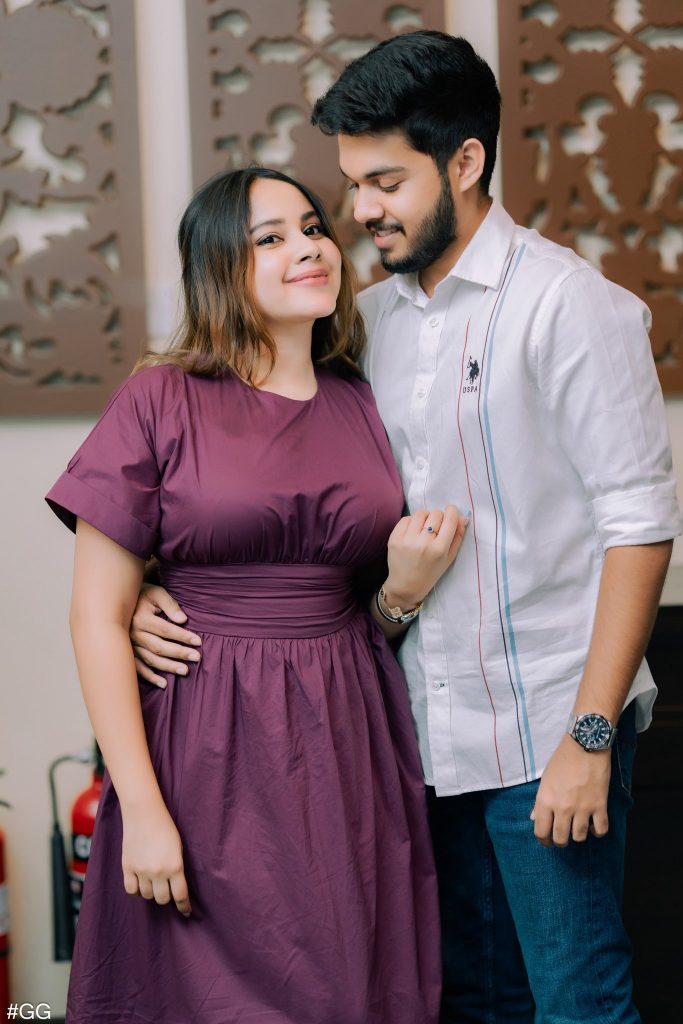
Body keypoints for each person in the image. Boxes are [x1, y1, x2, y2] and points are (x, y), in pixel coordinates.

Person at [131, 32, 682, 1024]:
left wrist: (589, 737)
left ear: (464, 162)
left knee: (577, 1003)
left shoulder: (570, 308)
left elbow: (638, 526)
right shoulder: (363, 322)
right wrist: (153, 594)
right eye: (352, 184)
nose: (360, 211)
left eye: (384, 182)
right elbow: (275, 490)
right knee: (462, 1002)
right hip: (410, 736)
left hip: (545, 733)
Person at [46, 165, 472, 1024]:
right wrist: (145, 811)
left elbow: (353, 612)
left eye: (312, 228)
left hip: (347, 744)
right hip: (202, 748)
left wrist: (399, 595)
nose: (307, 248)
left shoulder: (362, 398)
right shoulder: (159, 397)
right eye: (268, 239)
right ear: (218, 270)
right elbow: (96, 617)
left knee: (349, 989)